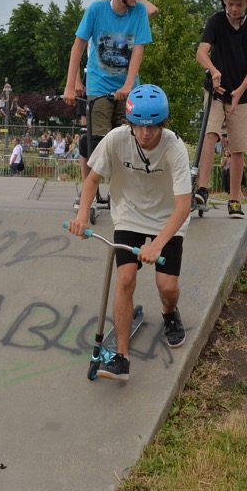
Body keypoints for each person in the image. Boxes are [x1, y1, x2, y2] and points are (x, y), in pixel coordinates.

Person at [66, 84, 192, 381]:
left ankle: (169, 313)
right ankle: (121, 358)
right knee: (125, 279)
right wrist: (82, 214)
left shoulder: (175, 148)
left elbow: (184, 206)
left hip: (167, 218)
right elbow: (92, 179)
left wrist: (158, 244)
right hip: (129, 216)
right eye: (138, 126)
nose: (145, 134)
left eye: (152, 127)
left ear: (162, 124)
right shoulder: (115, 139)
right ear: (130, 123)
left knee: (167, 287)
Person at [64, 0, 153, 196]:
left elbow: (138, 51)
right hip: (99, 84)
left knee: (128, 140)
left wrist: (128, 85)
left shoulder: (139, 12)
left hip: (127, 86)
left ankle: (122, 191)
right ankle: (90, 192)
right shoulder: (96, 10)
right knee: (98, 141)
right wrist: (70, 85)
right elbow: (78, 47)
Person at [194, 0, 247, 219]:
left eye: (239, 3)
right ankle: (202, 189)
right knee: (210, 133)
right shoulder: (215, 21)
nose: (234, 8)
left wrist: (240, 90)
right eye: (230, 3)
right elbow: (202, 52)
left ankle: (234, 199)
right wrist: (214, 72)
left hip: (240, 93)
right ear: (224, 0)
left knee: (237, 147)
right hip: (216, 90)